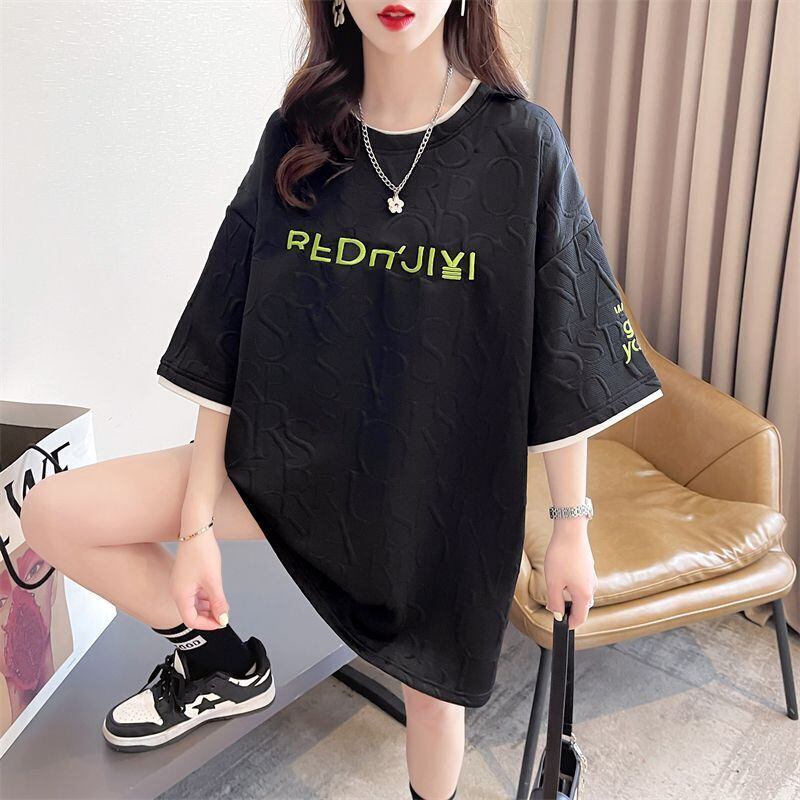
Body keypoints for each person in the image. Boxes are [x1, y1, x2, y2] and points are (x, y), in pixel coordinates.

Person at [20, 1, 664, 798]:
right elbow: (223, 335)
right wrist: (195, 529)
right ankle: (218, 660)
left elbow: (565, 348)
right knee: (51, 514)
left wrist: (570, 528)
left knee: (434, 704)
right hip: (279, 471)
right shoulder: (297, 139)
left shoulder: (522, 145)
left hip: (427, 502)